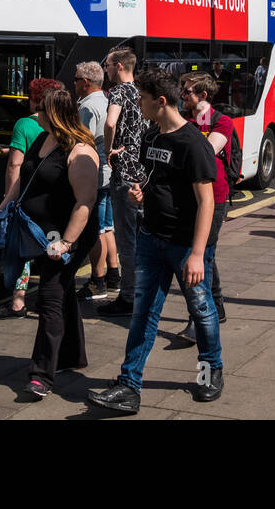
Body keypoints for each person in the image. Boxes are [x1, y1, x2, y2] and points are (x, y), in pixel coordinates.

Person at [86, 67, 222, 414]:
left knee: (202, 309)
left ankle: (210, 371)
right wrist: (140, 195)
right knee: (144, 313)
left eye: (143, 99)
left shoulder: (193, 143)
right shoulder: (151, 137)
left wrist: (196, 254)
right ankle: (129, 386)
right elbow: (156, 182)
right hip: (150, 238)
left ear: (160, 101)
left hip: (183, 243)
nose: (139, 105)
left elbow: (206, 201)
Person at [16, 89, 99, 398]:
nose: (36, 114)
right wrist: (2, 209)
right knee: (62, 294)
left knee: (50, 298)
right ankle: (72, 356)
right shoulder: (42, 139)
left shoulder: (80, 152)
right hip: (40, 233)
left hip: (66, 237)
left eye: (41, 110)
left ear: (54, 115)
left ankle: (41, 376)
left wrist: (65, 242)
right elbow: (26, 178)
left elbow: (85, 202)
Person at [0, 77, 66, 318]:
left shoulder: (24, 124)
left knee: (22, 249)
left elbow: (16, 165)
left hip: (28, 198)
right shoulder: (63, 125)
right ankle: (48, 297)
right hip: (53, 201)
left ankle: (18, 301)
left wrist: (9, 200)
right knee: (49, 247)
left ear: (36, 99)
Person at [178, 71, 233, 339]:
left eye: (187, 91)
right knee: (206, 254)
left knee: (201, 255)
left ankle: (198, 318)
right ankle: (218, 307)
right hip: (188, 196)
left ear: (203, 96)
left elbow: (206, 153)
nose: (182, 94)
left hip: (215, 197)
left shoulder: (222, 122)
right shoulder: (185, 120)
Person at [98, 48, 147, 318]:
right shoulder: (141, 92)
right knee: (143, 237)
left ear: (118, 66)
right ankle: (143, 291)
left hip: (124, 175)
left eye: (106, 66)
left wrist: (108, 148)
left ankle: (129, 297)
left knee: (126, 239)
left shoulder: (117, 92)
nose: (105, 70)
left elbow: (110, 121)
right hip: (142, 174)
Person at [74, 62, 119, 300]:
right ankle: (113, 276)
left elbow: (82, 143)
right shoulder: (106, 100)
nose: (74, 83)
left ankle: (97, 281)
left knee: (96, 230)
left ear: (86, 81)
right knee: (108, 226)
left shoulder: (87, 108)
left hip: (96, 177)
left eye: (75, 78)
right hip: (109, 174)